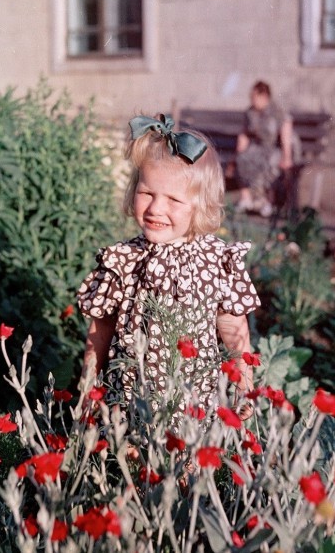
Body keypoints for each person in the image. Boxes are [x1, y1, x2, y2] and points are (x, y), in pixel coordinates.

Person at [77, 113, 261, 422]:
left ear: (201, 206)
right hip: (130, 400)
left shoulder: (216, 260)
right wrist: (87, 387)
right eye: (147, 193)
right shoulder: (124, 259)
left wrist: (244, 385)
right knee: (129, 462)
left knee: (184, 465)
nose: (155, 209)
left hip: (191, 404)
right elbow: (101, 331)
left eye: (173, 200)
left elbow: (234, 331)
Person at [234, 80, 297, 217]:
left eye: (254, 97)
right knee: (243, 158)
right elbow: (245, 132)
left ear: (264, 96)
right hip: (259, 147)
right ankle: (246, 198)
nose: (252, 100)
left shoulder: (277, 111)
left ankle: (266, 201)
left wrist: (287, 157)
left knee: (269, 163)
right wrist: (240, 149)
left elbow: (286, 134)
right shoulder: (250, 112)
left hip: (277, 147)